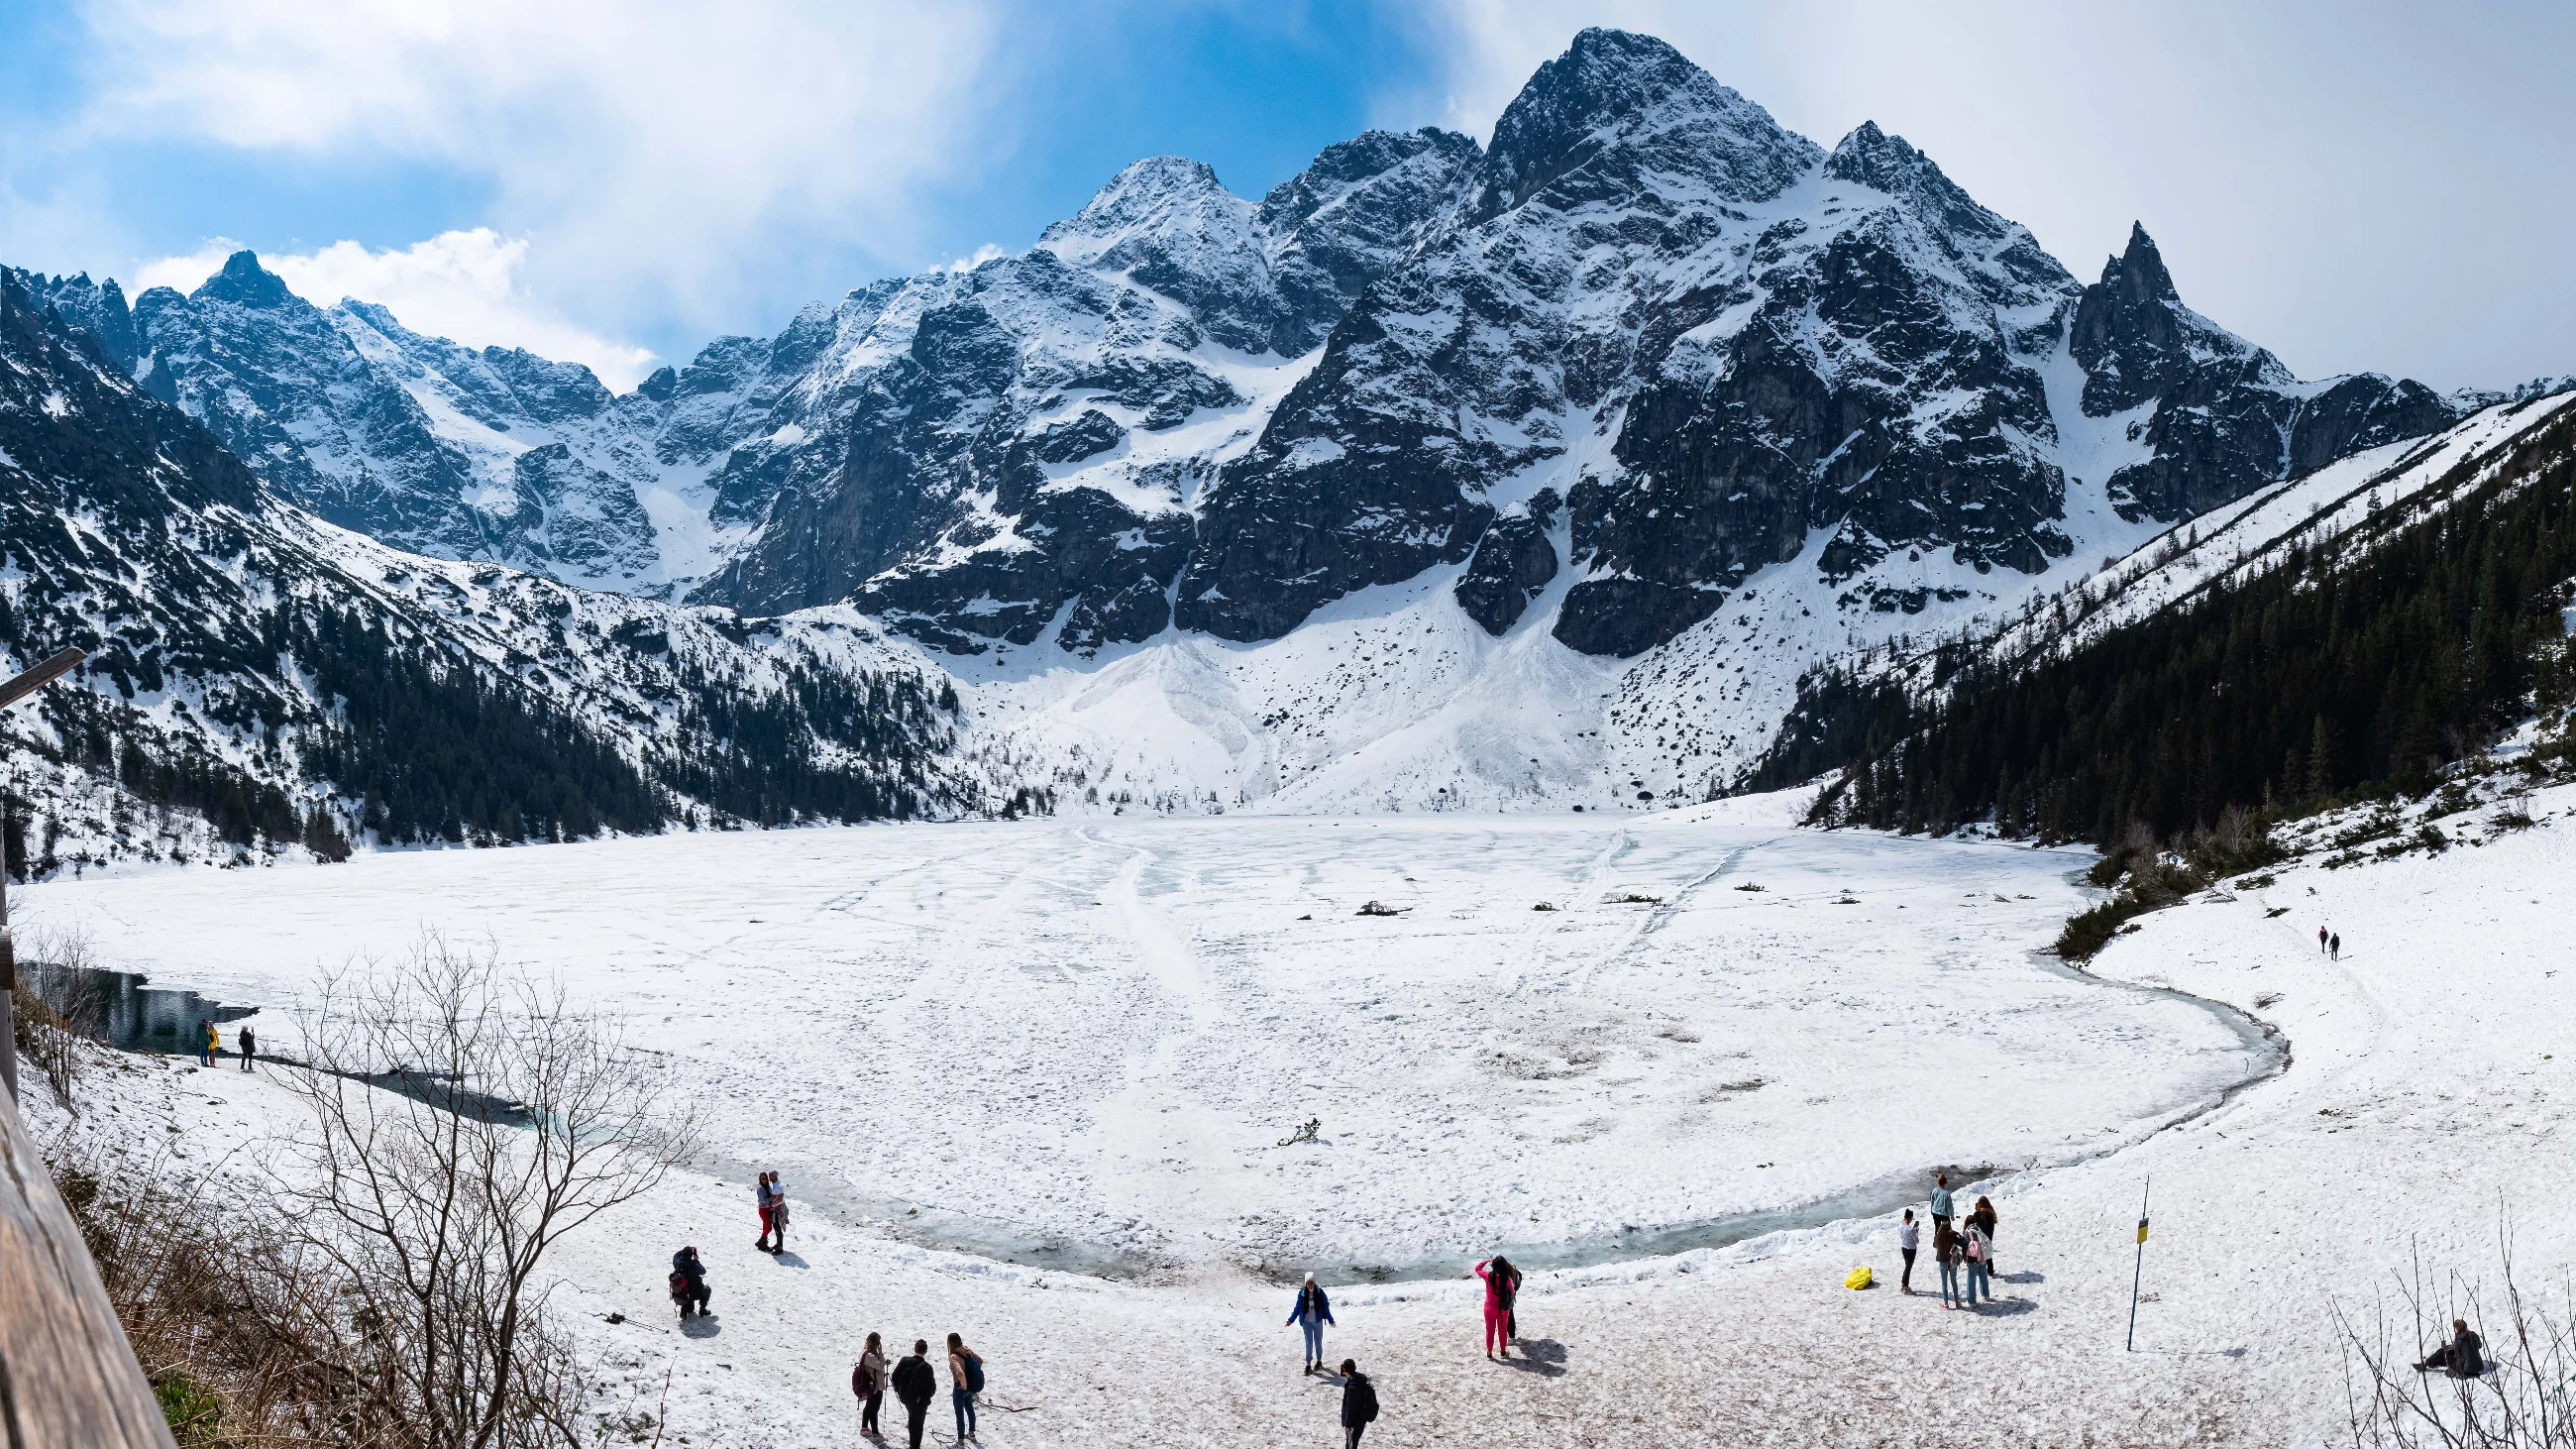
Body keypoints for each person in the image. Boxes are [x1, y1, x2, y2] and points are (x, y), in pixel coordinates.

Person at [891, 1339, 937, 1449]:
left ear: (914, 1349)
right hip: (920, 1401)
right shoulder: (927, 1367)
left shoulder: (904, 1361)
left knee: (912, 1419)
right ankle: (915, 1446)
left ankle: (912, 1445)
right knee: (919, 1425)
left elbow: (894, 1377)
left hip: (906, 1397)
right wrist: (922, 1398)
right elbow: (931, 1389)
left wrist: (900, 1391)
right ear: (925, 1352)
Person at [1473, 1255, 1521, 1359]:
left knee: (1489, 1330)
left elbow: (1477, 1268)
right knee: (1502, 1330)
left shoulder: (1488, 1276)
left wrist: (1486, 1260)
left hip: (1489, 1308)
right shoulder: (1506, 1279)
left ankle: (1489, 1353)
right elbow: (1513, 1293)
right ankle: (1503, 1351)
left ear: (1493, 1266)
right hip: (1502, 1309)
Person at [1287, 1274, 1336, 1374]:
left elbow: (1326, 1307)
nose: (1310, 1285)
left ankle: (1319, 1361)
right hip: (1306, 1322)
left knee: (1318, 1342)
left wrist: (1330, 1320)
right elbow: (1297, 1308)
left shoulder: (1320, 1293)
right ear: (1305, 1284)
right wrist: (1291, 1320)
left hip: (1317, 1321)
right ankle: (1308, 1364)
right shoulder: (1302, 1294)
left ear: (1314, 1282)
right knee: (1308, 1343)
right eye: (1308, 1283)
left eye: (1312, 1283)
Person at [946, 1332, 982, 1442]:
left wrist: (964, 1385)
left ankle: (960, 1442)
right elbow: (980, 1361)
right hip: (969, 1387)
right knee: (970, 1409)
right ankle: (971, 1433)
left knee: (959, 1415)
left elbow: (960, 1373)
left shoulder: (954, 1357)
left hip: (960, 1387)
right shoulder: (967, 1351)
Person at [2417, 1319, 2485, 1378]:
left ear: (2457, 1328)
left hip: (2465, 1368)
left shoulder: (2459, 1339)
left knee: (2441, 1352)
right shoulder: (2474, 1334)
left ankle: (2425, 1364)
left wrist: (2447, 1347)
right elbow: (2479, 1346)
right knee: (2444, 1354)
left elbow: (2456, 1354)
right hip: (2479, 1366)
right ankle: (2431, 1362)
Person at [1338, 1359, 1379, 1448]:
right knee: (1353, 1444)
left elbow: (1350, 1407)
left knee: (1351, 1446)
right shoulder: (1360, 1380)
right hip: (1361, 1420)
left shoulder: (1352, 1387)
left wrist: (1347, 1425)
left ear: (1345, 1370)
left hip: (1354, 1422)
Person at [854, 1332, 887, 1439]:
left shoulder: (864, 1352)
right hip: (874, 1386)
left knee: (869, 1406)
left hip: (868, 1385)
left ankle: (864, 1428)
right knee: (874, 1409)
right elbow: (880, 1366)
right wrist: (881, 1353)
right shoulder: (870, 1356)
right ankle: (875, 1434)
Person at [668, 1246, 710, 1319]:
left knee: (690, 1306)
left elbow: (675, 1256)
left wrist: (685, 1250)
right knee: (708, 1289)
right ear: (691, 1255)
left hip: (683, 1293)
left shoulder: (677, 1263)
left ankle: (687, 1306)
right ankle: (702, 1310)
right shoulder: (694, 1265)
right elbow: (703, 1271)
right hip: (695, 1293)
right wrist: (696, 1260)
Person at [1962, 1216, 1990, 1307]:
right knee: (1983, 1275)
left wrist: (1964, 1258)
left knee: (1971, 1279)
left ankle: (1971, 1301)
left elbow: (1965, 1246)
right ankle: (1986, 1295)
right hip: (1982, 1256)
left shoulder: (1968, 1232)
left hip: (1973, 1258)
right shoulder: (1979, 1229)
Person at [1933, 1214, 1961, 1308]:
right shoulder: (1952, 1236)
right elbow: (1961, 1240)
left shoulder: (1938, 1236)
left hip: (1942, 1261)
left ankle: (1946, 1303)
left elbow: (1934, 1245)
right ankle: (1957, 1301)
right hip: (1952, 1261)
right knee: (1954, 1282)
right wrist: (1954, 1233)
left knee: (1944, 1283)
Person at [1970, 1196, 1998, 1280]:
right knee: (1987, 1252)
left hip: (1979, 1236)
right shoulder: (1991, 1213)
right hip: (1988, 1236)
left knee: (1978, 1252)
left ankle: (1978, 1269)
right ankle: (1990, 1270)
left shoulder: (1978, 1213)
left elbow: (1975, 1225)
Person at [754, 1171, 779, 1253]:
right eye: (762, 1178)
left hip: (767, 1209)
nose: (764, 1180)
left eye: (765, 1178)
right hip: (763, 1210)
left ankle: (763, 1245)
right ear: (760, 1179)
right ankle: (760, 1242)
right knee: (769, 1228)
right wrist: (771, 1198)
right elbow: (762, 1200)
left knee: (765, 1227)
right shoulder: (760, 1188)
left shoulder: (767, 1186)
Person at [1897, 1209, 1920, 1294]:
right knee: (1908, 1268)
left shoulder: (1900, 1226)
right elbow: (1917, 1241)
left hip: (1903, 1248)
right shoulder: (1910, 1229)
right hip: (1911, 1250)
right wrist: (1916, 1232)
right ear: (1910, 1218)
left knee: (1907, 1267)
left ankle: (1904, 1284)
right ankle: (1905, 1286)